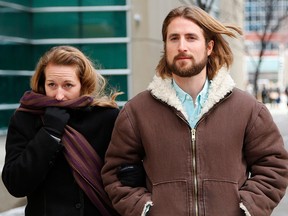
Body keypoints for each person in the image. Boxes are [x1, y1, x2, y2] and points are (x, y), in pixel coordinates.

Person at [101, 6, 288, 216]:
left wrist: (246, 209)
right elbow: (116, 173)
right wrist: (145, 210)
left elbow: (274, 166)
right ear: (166, 46)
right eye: (174, 38)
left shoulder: (247, 109)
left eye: (191, 38)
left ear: (209, 47)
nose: (182, 46)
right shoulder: (136, 112)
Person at [2, 45, 121, 216]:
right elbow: (15, 184)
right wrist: (49, 134)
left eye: (68, 85)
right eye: (52, 85)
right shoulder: (26, 119)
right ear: (42, 84)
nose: (58, 96)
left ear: (82, 85)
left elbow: (122, 176)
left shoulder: (107, 118)